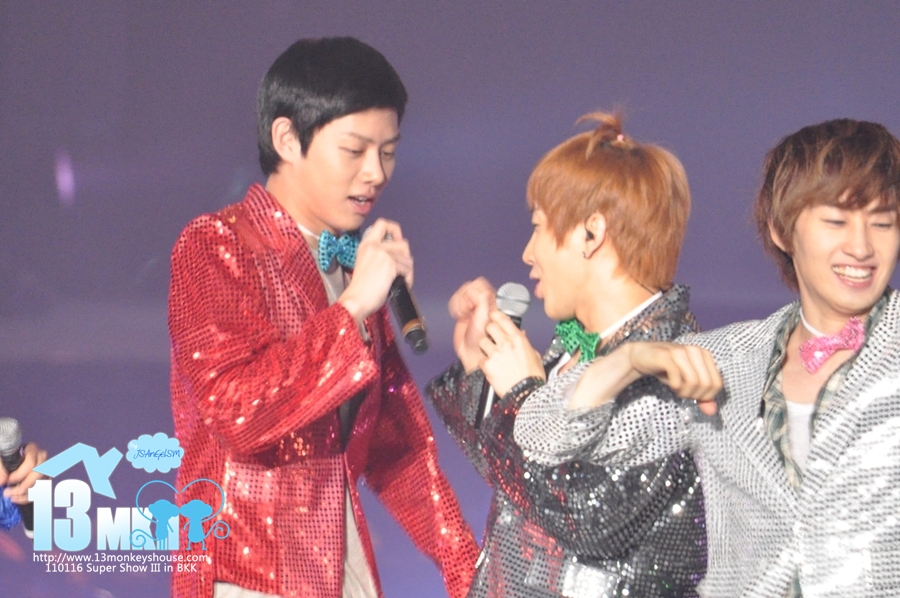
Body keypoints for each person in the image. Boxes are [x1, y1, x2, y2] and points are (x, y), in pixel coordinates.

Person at [515, 118, 900, 597]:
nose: (861, 247)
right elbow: (542, 437)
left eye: (883, 222)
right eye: (836, 222)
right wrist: (627, 360)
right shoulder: (727, 362)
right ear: (782, 230)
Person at [168, 37, 478, 598]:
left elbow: (398, 445)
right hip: (247, 572)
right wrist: (353, 308)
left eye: (388, 152)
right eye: (355, 150)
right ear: (288, 139)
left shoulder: (351, 266)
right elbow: (237, 410)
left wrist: (471, 577)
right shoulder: (215, 244)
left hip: (339, 565)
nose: (376, 173)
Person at [427, 112, 706, 597]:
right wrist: (480, 373)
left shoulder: (670, 372)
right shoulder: (572, 351)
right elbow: (525, 490)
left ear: (591, 234)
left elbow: (588, 517)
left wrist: (522, 395)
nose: (527, 252)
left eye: (538, 227)